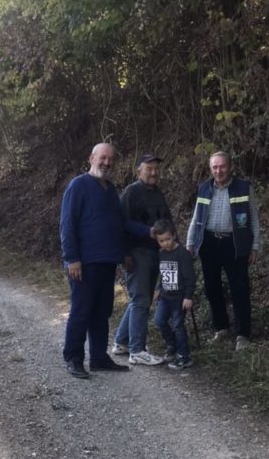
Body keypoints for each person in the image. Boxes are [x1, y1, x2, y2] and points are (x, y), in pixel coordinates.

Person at [60, 142, 130, 379]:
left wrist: (124, 252)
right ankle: (73, 358)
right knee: (81, 312)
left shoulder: (110, 190)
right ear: (91, 158)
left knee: (102, 312)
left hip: (107, 261)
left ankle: (99, 358)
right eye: (103, 158)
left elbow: (118, 224)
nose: (107, 163)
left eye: (111, 159)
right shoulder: (78, 185)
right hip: (84, 264)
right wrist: (72, 258)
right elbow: (67, 224)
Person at [186, 151, 262, 350]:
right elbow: (196, 218)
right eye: (215, 167)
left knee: (240, 289)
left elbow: (254, 218)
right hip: (209, 243)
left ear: (230, 167)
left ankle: (243, 334)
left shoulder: (244, 187)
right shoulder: (204, 188)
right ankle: (221, 328)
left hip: (234, 244)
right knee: (212, 288)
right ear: (210, 169)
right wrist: (190, 243)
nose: (218, 171)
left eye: (222, 166)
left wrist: (255, 245)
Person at [112, 153, 173, 366]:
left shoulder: (158, 193)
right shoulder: (131, 192)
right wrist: (125, 253)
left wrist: (173, 245)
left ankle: (121, 342)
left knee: (141, 299)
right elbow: (121, 224)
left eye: (156, 168)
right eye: (149, 169)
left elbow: (167, 221)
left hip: (156, 252)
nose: (153, 172)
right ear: (139, 171)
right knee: (141, 300)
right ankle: (137, 350)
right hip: (137, 253)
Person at [152, 219, 196, 370]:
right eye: (161, 241)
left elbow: (190, 277)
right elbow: (162, 273)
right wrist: (159, 288)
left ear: (174, 235)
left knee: (178, 325)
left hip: (179, 298)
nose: (165, 243)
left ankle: (184, 356)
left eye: (168, 239)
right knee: (159, 321)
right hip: (165, 297)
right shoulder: (161, 253)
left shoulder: (183, 254)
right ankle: (172, 345)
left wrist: (188, 296)